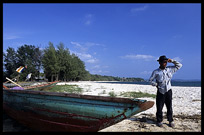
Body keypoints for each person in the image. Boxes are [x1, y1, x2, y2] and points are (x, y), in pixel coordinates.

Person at [149, 55, 182, 128]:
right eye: (163, 62)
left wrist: (172, 61)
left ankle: (171, 121)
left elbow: (179, 65)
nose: (165, 63)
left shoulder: (170, 69)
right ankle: (159, 121)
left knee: (169, 106)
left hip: (168, 90)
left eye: (166, 62)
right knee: (159, 107)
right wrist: (155, 84)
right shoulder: (156, 72)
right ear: (160, 63)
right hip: (161, 90)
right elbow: (150, 80)